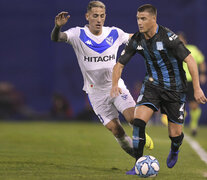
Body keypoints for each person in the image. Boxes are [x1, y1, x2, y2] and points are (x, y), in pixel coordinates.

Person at [51, 1, 153, 161]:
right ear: (87, 16)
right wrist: (58, 27)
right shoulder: (78, 34)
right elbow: (57, 38)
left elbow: (133, 38)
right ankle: (139, 159)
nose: (99, 19)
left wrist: (151, 36)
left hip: (115, 86)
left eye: (102, 16)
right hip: (95, 93)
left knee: (133, 118)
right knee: (116, 130)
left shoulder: (114, 33)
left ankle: (141, 139)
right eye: (95, 16)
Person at [111, 4, 207, 174]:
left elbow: (191, 60)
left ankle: (175, 147)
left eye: (143, 19)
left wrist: (197, 88)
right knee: (138, 121)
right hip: (152, 86)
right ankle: (138, 163)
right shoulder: (137, 40)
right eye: (138, 19)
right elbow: (119, 65)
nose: (139, 23)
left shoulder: (168, 38)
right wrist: (114, 85)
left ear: (153, 19)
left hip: (175, 90)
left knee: (175, 134)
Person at [178, 32, 206, 136]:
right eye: (178, 40)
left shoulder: (193, 49)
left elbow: (201, 61)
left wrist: (203, 73)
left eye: (181, 39)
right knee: (179, 105)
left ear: (185, 40)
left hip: (191, 81)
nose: (180, 42)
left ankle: (194, 126)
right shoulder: (174, 50)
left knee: (194, 105)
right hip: (178, 81)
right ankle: (180, 127)